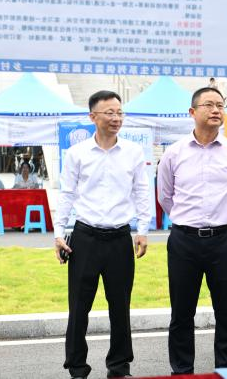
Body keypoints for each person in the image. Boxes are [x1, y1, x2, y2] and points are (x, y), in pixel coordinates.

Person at [54, 90, 151, 379]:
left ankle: (119, 367)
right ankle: (77, 367)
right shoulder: (77, 153)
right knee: (78, 307)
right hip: (84, 238)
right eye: (109, 112)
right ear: (92, 116)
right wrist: (58, 233)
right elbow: (67, 194)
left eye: (119, 112)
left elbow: (142, 191)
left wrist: (143, 230)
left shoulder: (133, 152)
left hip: (120, 238)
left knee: (120, 306)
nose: (116, 118)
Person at [157, 87, 227, 374]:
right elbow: (165, 197)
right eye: (209, 105)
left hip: (224, 240)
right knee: (181, 313)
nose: (216, 110)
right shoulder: (174, 153)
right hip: (184, 241)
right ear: (192, 112)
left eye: (220, 105)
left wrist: (223, 219)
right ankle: (182, 371)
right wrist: (188, 220)